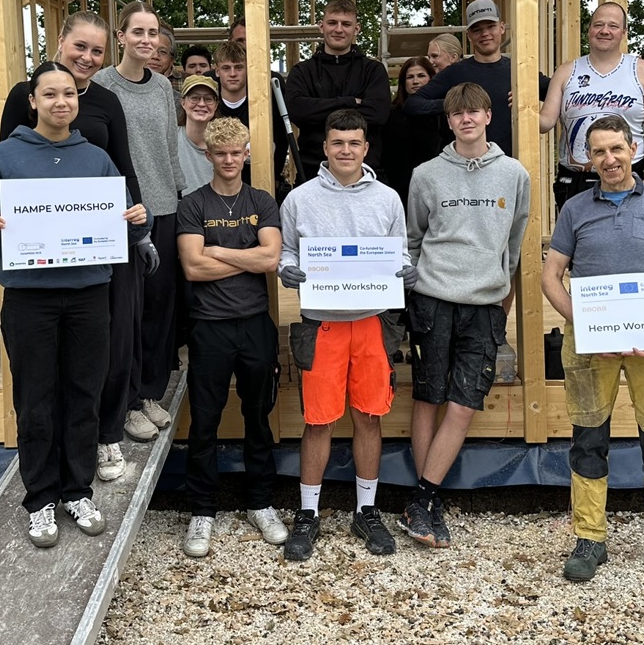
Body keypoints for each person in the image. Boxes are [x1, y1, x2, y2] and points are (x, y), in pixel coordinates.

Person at [0, 62, 150, 547]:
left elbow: (128, 225)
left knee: (84, 393)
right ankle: (41, 498)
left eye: (69, 93)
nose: (61, 102)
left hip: (89, 295)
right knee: (36, 398)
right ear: (33, 101)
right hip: (29, 299)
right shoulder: (3, 158)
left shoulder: (97, 159)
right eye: (50, 94)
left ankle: (76, 490)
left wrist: (136, 219)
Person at [540, 115, 644, 583]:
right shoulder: (574, 209)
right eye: (598, 152)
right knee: (588, 439)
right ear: (586, 158)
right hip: (590, 344)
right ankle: (590, 539)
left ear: (633, 148)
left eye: (616, 149)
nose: (609, 160)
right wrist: (585, 321)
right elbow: (550, 276)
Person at [0, 11, 149, 483]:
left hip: (100, 245)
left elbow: (121, 165)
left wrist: (137, 226)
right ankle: (49, 448)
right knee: (46, 353)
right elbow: (9, 169)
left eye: (96, 51)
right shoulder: (25, 95)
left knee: (106, 342)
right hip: (41, 252)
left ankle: (104, 436)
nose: (87, 57)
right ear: (59, 42)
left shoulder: (106, 99)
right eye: (79, 46)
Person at [278, 109, 413, 561]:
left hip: (372, 321)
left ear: (365, 147)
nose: (346, 151)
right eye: (338, 143)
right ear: (325, 147)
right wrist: (287, 269)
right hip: (323, 322)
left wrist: (406, 271)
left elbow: (401, 251)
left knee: (369, 416)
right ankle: (308, 513)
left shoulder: (388, 198)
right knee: (318, 419)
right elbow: (289, 250)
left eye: (354, 143)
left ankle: (366, 510)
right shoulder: (299, 198)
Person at [401, 84, 531, 549]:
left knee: (464, 403)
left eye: (474, 111)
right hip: (433, 299)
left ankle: (422, 497)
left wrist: (503, 302)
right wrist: (414, 294)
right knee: (429, 398)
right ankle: (426, 504)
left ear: (489, 115)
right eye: (458, 114)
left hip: (484, 305)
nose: (466, 120)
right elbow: (413, 238)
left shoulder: (514, 175)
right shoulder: (426, 175)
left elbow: (513, 247)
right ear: (449, 121)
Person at [175, 117, 289, 557]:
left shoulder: (261, 200)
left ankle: (260, 502)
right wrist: (248, 258)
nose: (228, 160)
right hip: (209, 326)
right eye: (219, 153)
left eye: (235, 152)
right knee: (205, 421)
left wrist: (218, 250)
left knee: (258, 416)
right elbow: (192, 267)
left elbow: (272, 259)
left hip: (255, 323)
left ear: (246, 154)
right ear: (208, 156)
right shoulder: (193, 204)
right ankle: (202, 509)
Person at [94, 1, 188, 443]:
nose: (147, 41)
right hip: (120, 214)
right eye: (138, 32)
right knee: (125, 312)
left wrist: (179, 190)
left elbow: (169, 148)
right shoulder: (99, 85)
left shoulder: (163, 89)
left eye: (153, 34)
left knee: (159, 309)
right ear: (121, 37)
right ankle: (126, 402)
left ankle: (150, 391)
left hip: (163, 208)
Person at [540, 2, 644, 211]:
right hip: (575, 180)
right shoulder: (566, 72)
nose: (604, 31)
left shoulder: (641, 70)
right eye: (598, 25)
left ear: (624, 32)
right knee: (577, 242)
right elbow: (546, 121)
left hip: (628, 177)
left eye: (613, 26)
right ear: (589, 29)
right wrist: (522, 109)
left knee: (626, 240)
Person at [283, 0, 392, 183]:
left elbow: (378, 114)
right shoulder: (302, 71)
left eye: (346, 24)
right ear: (321, 26)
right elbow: (297, 110)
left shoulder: (373, 70)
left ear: (356, 28)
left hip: (365, 174)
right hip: (313, 173)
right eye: (332, 23)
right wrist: (350, 102)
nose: (339, 29)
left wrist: (318, 111)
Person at [406, 0, 517, 158]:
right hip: (462, 168)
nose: (485, 34)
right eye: (477, 29)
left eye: (491, 26)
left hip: (506, 169)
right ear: (469, 35)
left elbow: (556, 90)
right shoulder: (456, 72)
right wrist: (454, 105)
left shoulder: (518, 72)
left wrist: (530, 102)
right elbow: (413, 104)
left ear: (501, 27)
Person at [215, 33, 290, 193]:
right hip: (215, 188)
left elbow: (280, 143)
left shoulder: (265, 106)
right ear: (217, 71)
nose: (233, 74)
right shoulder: (209, 106)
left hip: (259, 187)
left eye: (239, 67)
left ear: (248, 69)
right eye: (226, 68)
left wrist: (274, 177)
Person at [381, 57, 447, 203]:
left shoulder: (443, 113)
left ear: (431, 79)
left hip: (436, 187)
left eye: (421, 76)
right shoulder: (390, 114)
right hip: (398, 190)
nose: (415, 81)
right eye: (410, 77)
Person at [177, 74, 220, 195]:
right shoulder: (170, 138)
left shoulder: (226, 141)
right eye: (194, 98)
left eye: (208, 99)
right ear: (183, 102)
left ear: (216, 105)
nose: (201, 104)